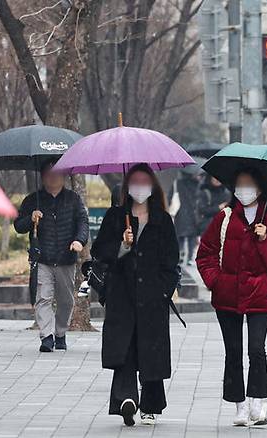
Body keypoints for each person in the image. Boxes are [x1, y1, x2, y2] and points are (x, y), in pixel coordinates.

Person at [196, 169, 267, 427]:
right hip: (227, 295)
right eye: (239, 185)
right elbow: (205, 254)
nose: (243, 190)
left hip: (261, 295)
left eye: (249, 184)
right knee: (234, 351)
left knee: (256, 349)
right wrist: (215, 281)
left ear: (260, 189)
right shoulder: (224, 218)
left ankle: (257, 403)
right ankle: (239, 406)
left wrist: (265, 239)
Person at [91, 163, 180, 427]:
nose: (140, 187)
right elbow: (100, 253)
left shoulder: (162, 220)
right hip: (122, 295)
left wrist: (164, 290)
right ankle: (126, 399)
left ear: (152, 186)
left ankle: (151, 404)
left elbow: (171, 260)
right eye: (135, 181)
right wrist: (122, 245)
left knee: (151, 349)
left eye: (145, 181)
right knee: (125, 348)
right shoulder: (115, 217)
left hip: (153, 296)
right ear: (127, 186)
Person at [14, 161, 89, 352]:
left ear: (64, 176)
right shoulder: (33, 199)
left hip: (66, 258)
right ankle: (46, 337)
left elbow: (83, 222)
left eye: (57, 173)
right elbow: (18, 226)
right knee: (43, 298)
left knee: (66, 300)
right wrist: (30, 219)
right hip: (42, 258)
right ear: (42, 176)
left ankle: (60, 333)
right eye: (48, 173)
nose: (52, 177)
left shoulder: (73, 199)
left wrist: (79, 241)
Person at [174, 172, 200, 265]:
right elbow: (199, 198)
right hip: (192, 213)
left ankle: (181, 252)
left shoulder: (178, 183)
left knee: (180, 235)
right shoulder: (197, 184)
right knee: (191, 237)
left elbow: (170, 196)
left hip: (180, 212)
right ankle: (189, 257)